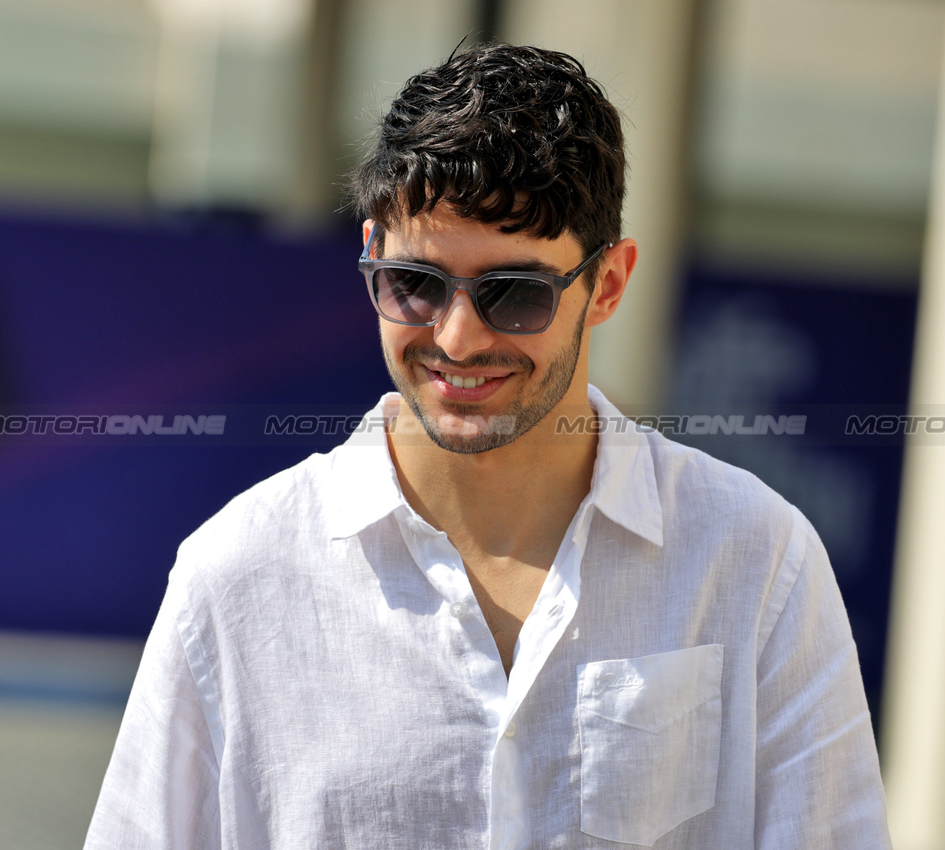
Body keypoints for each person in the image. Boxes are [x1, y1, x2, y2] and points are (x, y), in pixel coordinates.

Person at [85, 43, 892, 849]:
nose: (457, 338)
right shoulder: (238, 575)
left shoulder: (754, 560)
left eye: (514, 293)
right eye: (415, 283)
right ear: (371, 256)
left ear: (607, 284)